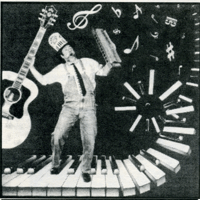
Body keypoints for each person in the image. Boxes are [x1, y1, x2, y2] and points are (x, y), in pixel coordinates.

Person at [29, 32, 112, 182]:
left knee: (90, 139)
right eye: (65, 50)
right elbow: (42, 80)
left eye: (69, 48)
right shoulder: (60, 69)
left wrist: (111, 60)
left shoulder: (88, 62)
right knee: (57, 136)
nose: (69, 50)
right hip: (69, 107)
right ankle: (55, 164)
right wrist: (31, 66)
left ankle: (86, 170)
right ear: (62, 56)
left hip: (89, 106)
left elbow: (104, 72)